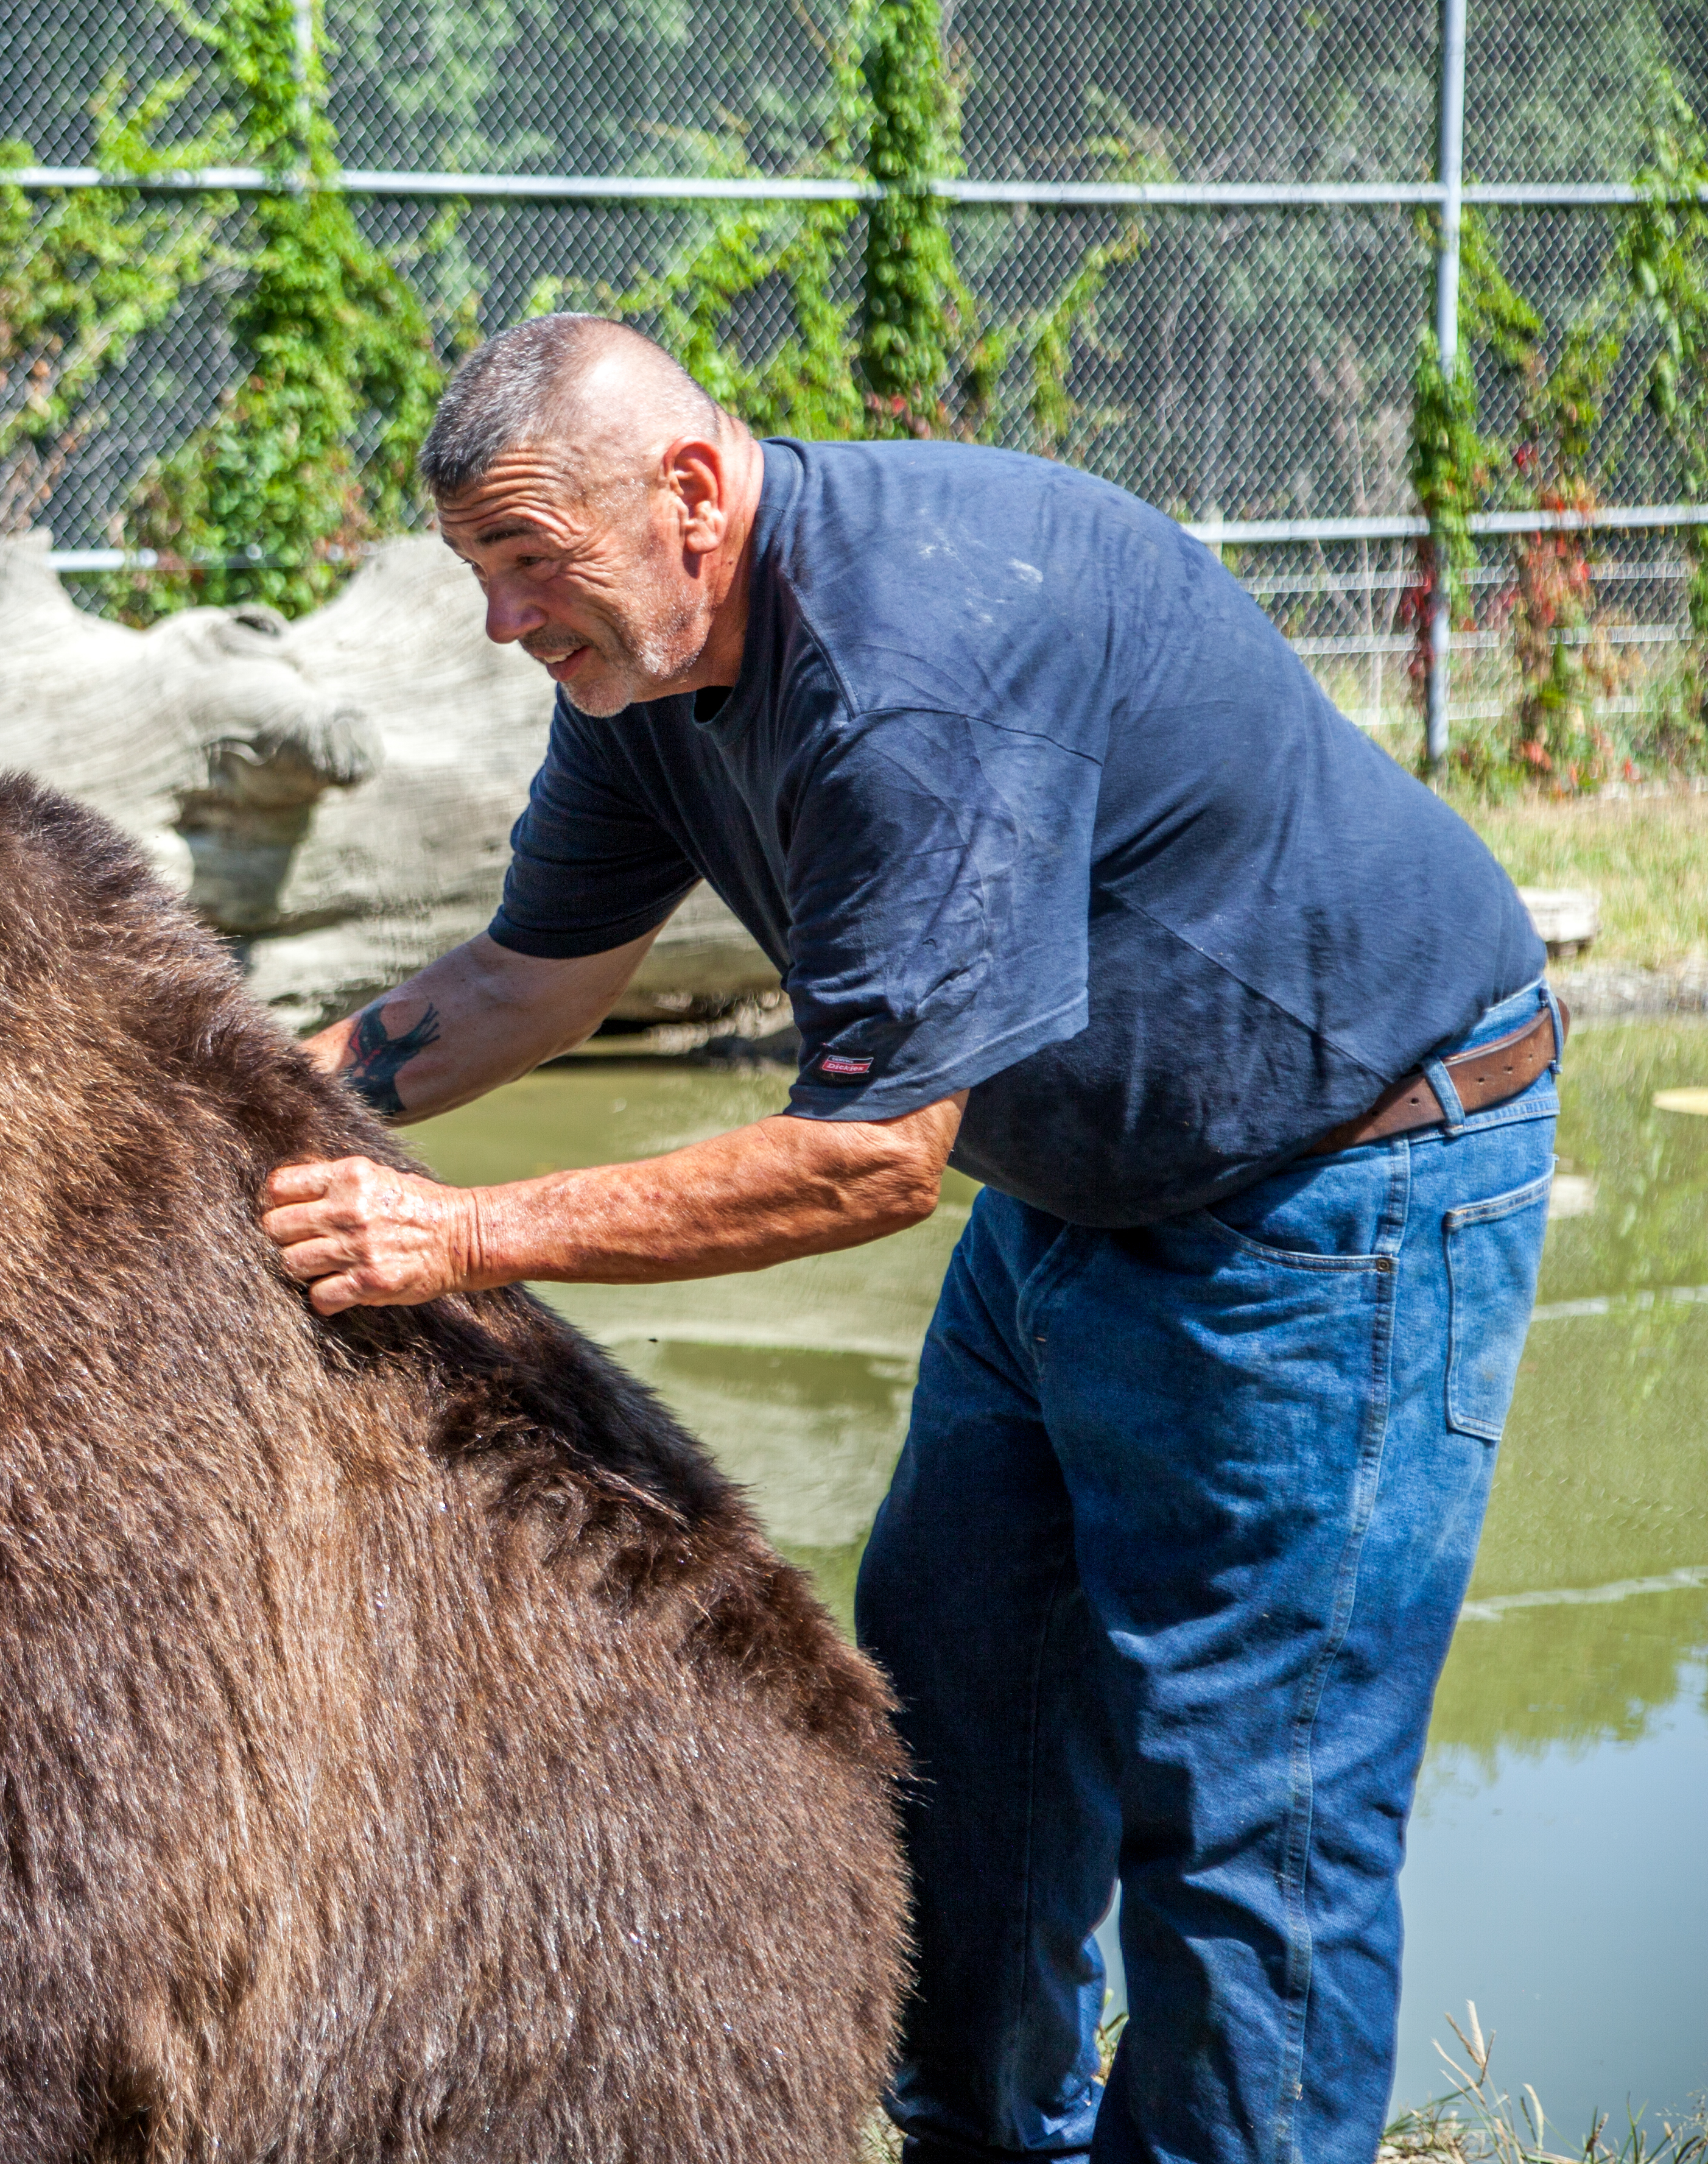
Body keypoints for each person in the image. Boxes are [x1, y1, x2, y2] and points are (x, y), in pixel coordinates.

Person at [262, 313, 1559, 2164]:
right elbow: (520, 985)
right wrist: (213, 1136)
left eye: (530, 565)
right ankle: (979, 2135)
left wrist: (455, 1235)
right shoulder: (645, 680)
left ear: (692, 495)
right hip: (1076, 1186)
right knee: (959, 1703)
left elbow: (863, 1163)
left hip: (1341, 1189)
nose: (505, 625)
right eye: (481, 574)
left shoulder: (906, 671)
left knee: (1250, 1815)